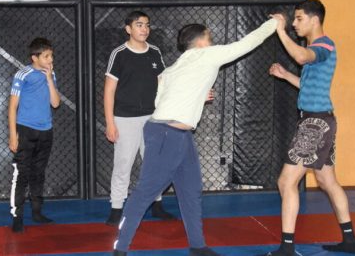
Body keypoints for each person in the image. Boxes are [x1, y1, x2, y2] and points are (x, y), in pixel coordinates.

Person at [112, 17, 279, 256]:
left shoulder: (174, 68)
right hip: (167, 134)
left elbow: (161, 101)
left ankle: (198, 246)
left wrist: (198, 97)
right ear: (201, 40)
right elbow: (246, 44)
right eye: (210, 38)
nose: (212, 43)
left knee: (191, 190)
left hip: (179, 135)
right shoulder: (206, 55)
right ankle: (120, 248)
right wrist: (274, 24)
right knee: (145, 193)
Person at [265, 0, 355, 255]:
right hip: (320, 120)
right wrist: (286, 76)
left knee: (286, 181)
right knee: (327, 180)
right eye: (293, 20)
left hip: (315, 123)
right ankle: (350, 241)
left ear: (314, 20)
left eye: (299, 19)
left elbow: (299, 55)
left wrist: (280, 29)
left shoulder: (323, 45)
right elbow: (308, 86)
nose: (295, 24)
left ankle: (287, 247)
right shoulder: (316, 48)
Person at [104, 10, 175, 225]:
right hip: (125, 118)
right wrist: (110, 123)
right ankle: (117, 208)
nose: (144, 29)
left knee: (153, 163)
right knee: (123, 163)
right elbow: (109, 91)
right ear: (128, 29)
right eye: (139, 25)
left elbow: (164, 83)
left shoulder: (154, 52)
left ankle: (157, 204)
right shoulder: (119, 54)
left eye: (146, 25)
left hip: (152, 118)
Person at [8, 37, 61, 233]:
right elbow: (13, 106)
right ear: (34, 57)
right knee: (21, 173)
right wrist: (13, 135)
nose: (50, 60)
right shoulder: (23, 74)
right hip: (26, 130)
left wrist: (48, 79)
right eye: (46, 56)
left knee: (39, 173)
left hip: (46, 131)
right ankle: (17, 216)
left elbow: (55, 103)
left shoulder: (51, 74)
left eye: (51, 56)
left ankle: (37, 212)